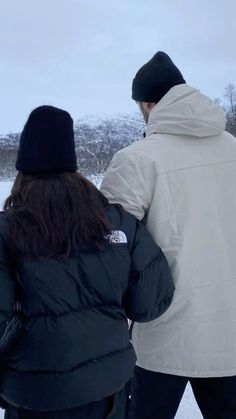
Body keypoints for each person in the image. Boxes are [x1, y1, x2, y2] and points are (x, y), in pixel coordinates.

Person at [0, 105, 174, 419]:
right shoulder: (117, 221)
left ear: (23, 166)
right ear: (72, 162)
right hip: (108, 390)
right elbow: (152, 301)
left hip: (33, 396)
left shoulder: (6, 229)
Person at [101, 51, 236, 419]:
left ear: (146, 103)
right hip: (229, 334)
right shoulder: (233, 149)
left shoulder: (137, 159)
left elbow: (110, 248)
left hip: (163, 333)